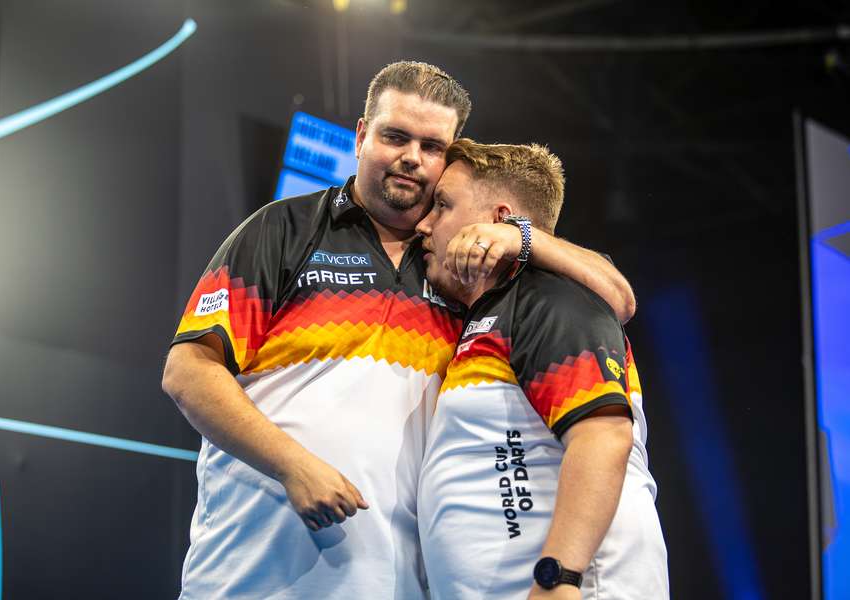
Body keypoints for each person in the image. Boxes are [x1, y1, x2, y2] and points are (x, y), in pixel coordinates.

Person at [161, 61, 636, 599]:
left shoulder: (461, 272)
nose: (412, 157)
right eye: (395, 136)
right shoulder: (282, 229)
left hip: (402, 585)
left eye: (433, 146)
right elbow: (188, 371)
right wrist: (291, 464)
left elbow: (617, 297)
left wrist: (519, 237)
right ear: (362, 137)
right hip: (250, 575)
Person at [415, 138, 668, 600]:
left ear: (497, 220)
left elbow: (604, 436)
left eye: (442, 206)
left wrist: (559, 578)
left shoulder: (551, 297)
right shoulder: (492, 315)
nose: (424, 223)